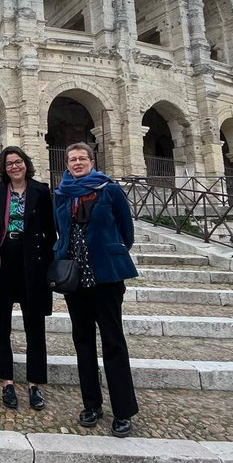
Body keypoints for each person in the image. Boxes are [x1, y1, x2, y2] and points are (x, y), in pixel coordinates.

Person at [53, 142, 140, 437]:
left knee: (114, 342)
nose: (77, 163)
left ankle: (123, 411)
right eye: (72, 159)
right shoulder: (62, 194)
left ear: (92, 161)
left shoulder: (109, 189)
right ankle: (91, 404)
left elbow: (126, 231)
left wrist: (110, 253)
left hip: (105, 277)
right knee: (83, 343)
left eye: (82, 158)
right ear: (66, 164)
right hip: (75, 280)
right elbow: (60, 230)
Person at [0, 146, 56, 411]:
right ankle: (6, 381)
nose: (14, 167)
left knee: (34, 325)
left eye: (17, 162)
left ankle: (34, 383)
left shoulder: (41, 191)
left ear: (25, 164)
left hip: (33, 264)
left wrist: (50, 262)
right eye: (9, 164)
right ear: (3, 169)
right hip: (1, 263)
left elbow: (51, 229)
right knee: (1, 323)